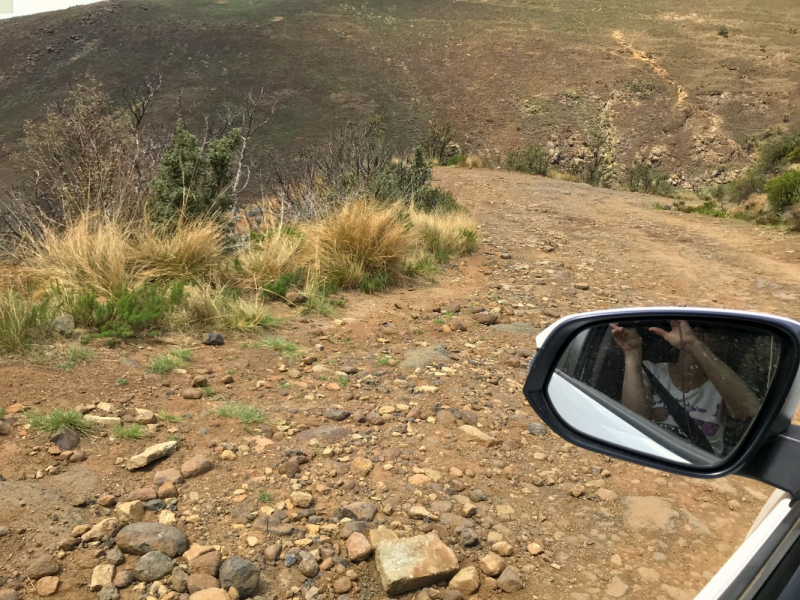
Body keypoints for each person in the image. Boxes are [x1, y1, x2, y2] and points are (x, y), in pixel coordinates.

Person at [610, 319, 760, 455]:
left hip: (701, 461)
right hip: (651, 453)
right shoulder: (652, 372)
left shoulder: (722, 383)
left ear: (725, 343)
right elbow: (633, 421)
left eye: (710, 329)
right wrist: (632, 352)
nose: (697, 332)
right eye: (693, 327)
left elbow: (748, 411)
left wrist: (693, 345)